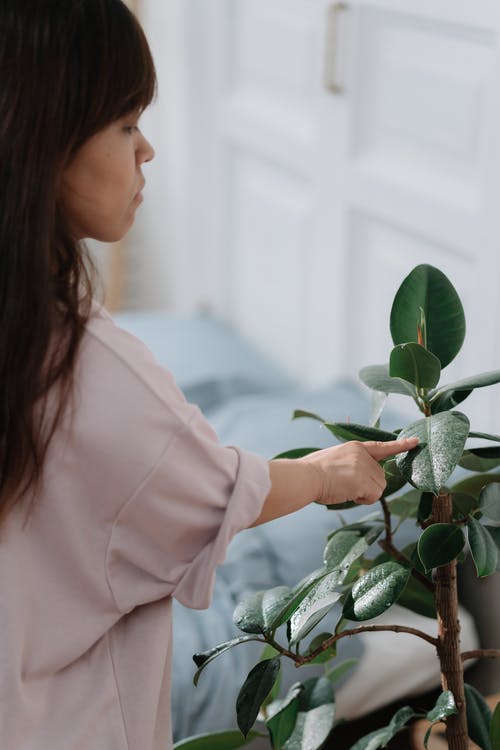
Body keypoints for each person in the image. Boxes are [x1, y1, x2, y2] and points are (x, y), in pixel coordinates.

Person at [0, 1, 419, 748]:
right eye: (127, 124)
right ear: (43, 142)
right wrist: (328, 474)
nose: (147, 150)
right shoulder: (88, 374)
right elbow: (222, 493)